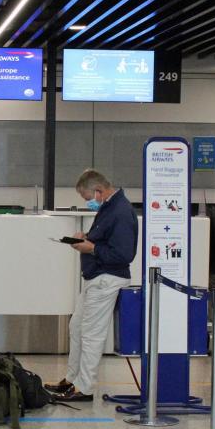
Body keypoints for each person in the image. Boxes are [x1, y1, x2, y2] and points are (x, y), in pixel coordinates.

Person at [46, 169, 138, 402]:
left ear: (98, 191)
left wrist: (92, 248)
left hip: (107, 279)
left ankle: (84, 388)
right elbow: (106, 238)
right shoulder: (109, 207)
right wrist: (86, 237)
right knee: (76, 328)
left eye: (88, 198)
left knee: (91, 333)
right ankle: (72, 379)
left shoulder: (121, 211)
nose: (88, 203)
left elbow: (124, 254)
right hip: (94, 277)